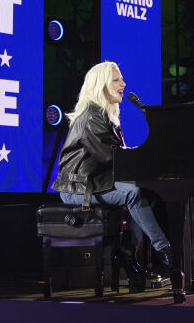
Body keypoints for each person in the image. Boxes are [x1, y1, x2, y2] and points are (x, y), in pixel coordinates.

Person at [51, 61, 178, 285]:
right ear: (101, 84)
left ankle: (127, 256)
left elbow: (116, 155)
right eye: (117, 80)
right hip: (78, 187)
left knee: (147, 191)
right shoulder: (92, 114)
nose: (123, 84)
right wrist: (144, 157)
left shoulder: (106, 115)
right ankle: (164, 251)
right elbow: (109, 157)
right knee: (134, 192)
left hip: (98, 180)